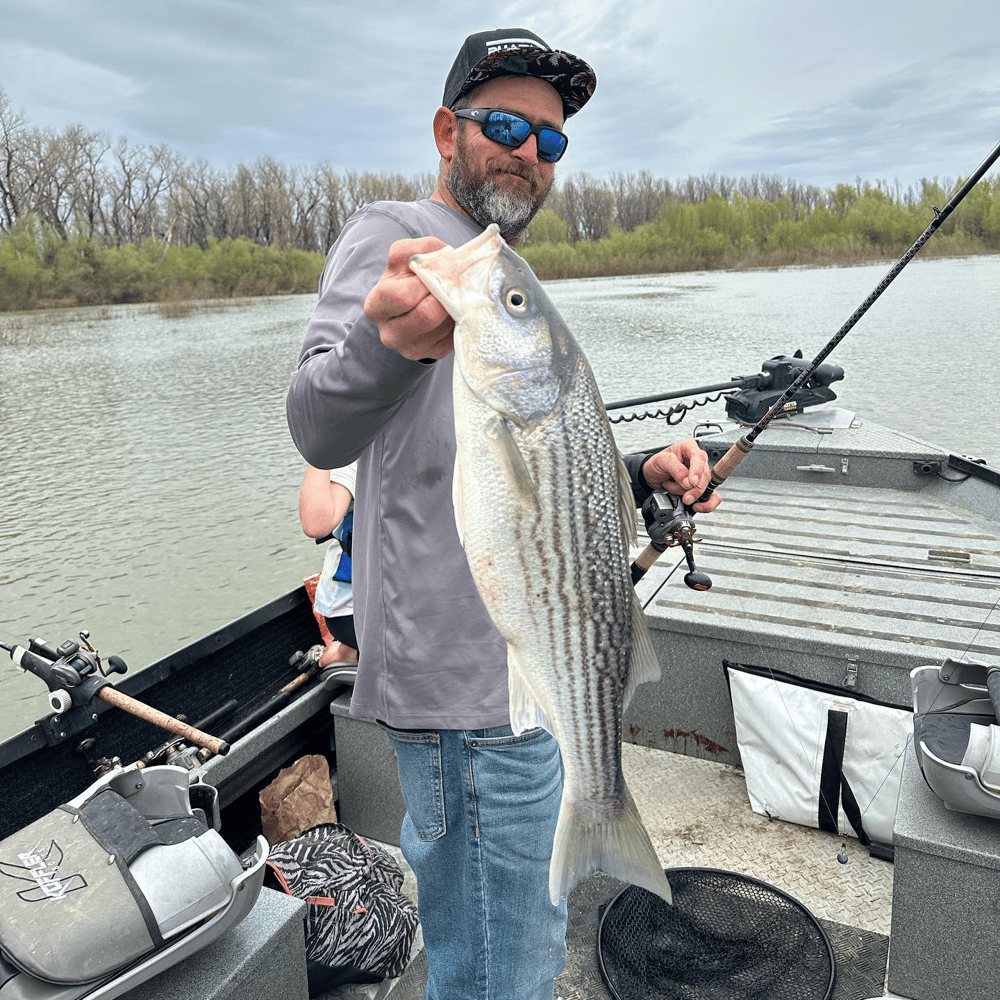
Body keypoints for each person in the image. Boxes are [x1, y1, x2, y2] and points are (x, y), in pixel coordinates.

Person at [287, 27, 722, 1000]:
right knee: (501, 970)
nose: (529, 151)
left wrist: (645, 471)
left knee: (508, 951)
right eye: (503, 124)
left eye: (551, 139)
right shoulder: (404, 239)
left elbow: (527, 462)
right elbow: (315, 423)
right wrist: (385, 343)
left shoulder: (497, 285)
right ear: (448, 130)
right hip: (465, 701)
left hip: (525, 667)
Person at [298, 463, 358, 666]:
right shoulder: (355, 451)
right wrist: (320, 450)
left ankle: (349, 650)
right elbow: (316, 524)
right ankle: (345, 653)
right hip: (356, 611)